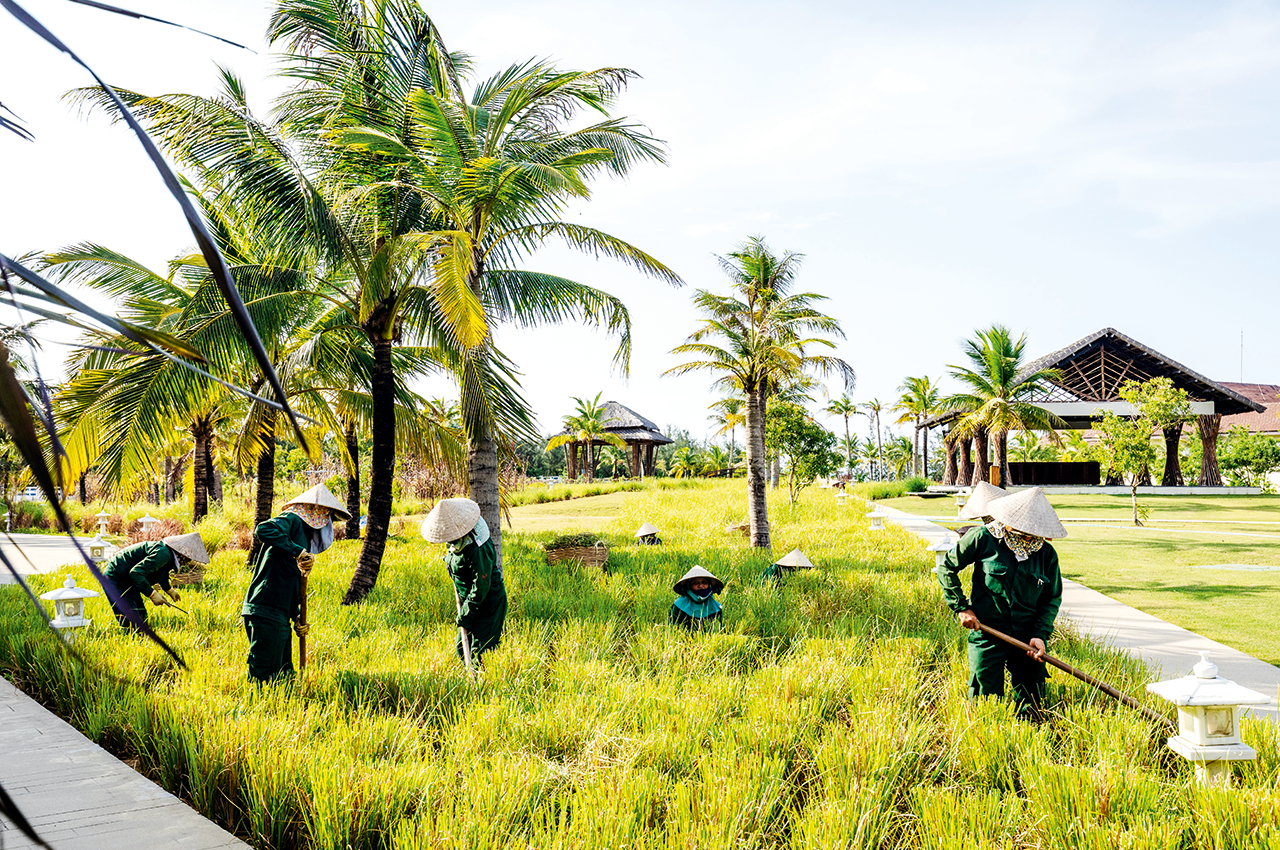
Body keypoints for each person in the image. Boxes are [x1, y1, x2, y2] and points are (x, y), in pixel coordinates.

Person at [937, 486, 1066, 718]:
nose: (1029, 537)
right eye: (1023, 530)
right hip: (987, 632)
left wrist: (1040, 634)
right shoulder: (982, 538)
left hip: (1028, 638)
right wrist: (961, 607)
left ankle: (1027, 733)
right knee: (984, 702)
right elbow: (947, 567)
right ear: (1009, 521)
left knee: (1032, 701)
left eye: (1033, 532)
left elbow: (1051, 599)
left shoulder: (1046, 554)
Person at [243, 483, 349, 683]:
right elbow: (263, 529)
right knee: (263, 676)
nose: (328, 521)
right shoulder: (292, 519)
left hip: (280, 613)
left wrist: (297, 615)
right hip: (266, 609)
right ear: (316, 510)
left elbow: (289, 580)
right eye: (327, 514)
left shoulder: (305, 536)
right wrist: (297, 550)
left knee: (284, 676)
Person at [421, 498, 507, 666]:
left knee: (480, 654)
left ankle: (483, 682)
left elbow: (481, 585)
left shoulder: (477, 548)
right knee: (462, 648)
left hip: (487, 603)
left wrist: (466, 613)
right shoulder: (456, 541)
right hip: (469, 600)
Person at [102, 533, 208, 629]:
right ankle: (130, 639)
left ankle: (140, 638)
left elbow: (160, 573)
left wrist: (169, 590)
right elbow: (136, 573)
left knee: (141, 615)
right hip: (116, 576)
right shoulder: (164, 554)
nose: (188, 561)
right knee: (129, 618)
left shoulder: (167, 553)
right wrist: (152, 594)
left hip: (128, 580)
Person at [669, 565, 724, 630]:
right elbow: (672, 626)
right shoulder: (679, 605)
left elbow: (718, 628)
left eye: (704, 582)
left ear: (709, 585)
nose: (700, 585)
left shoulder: (716, 607)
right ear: (689, 586)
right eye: (696, 583)